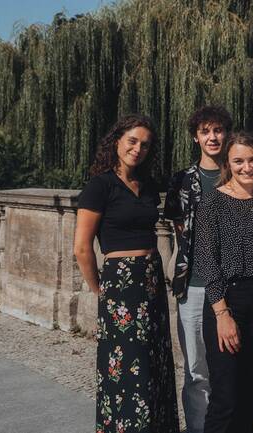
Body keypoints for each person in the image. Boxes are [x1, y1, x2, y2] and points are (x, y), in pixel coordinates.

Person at [74, 114, 179, 433]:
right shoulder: (100, 185)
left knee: (154, 361)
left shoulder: (147, 186)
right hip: (120, 285)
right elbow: (82, 248)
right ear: (116, 141)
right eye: (132, 141)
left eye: (145, 145)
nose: (138, 149)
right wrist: (100, 290)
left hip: (151, 282)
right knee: (125, 366)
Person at [195, 132, 253, 433]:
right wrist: (222, 314)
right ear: (228, 164)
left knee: (249, 392)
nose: (247, 167)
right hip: (228, 300)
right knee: (226, 396)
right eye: (239, 161)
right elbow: (207, 261)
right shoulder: (212, 203)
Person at [164, 105, 233, 433]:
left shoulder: (239, 174)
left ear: (226, 134)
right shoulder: (182, 180)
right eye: (205, 132)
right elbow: (180, 233)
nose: (212, 137)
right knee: (195, 368)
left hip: (233, 285)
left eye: (218, 130)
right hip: (193, 285)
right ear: (196, 137)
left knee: (229, 366)